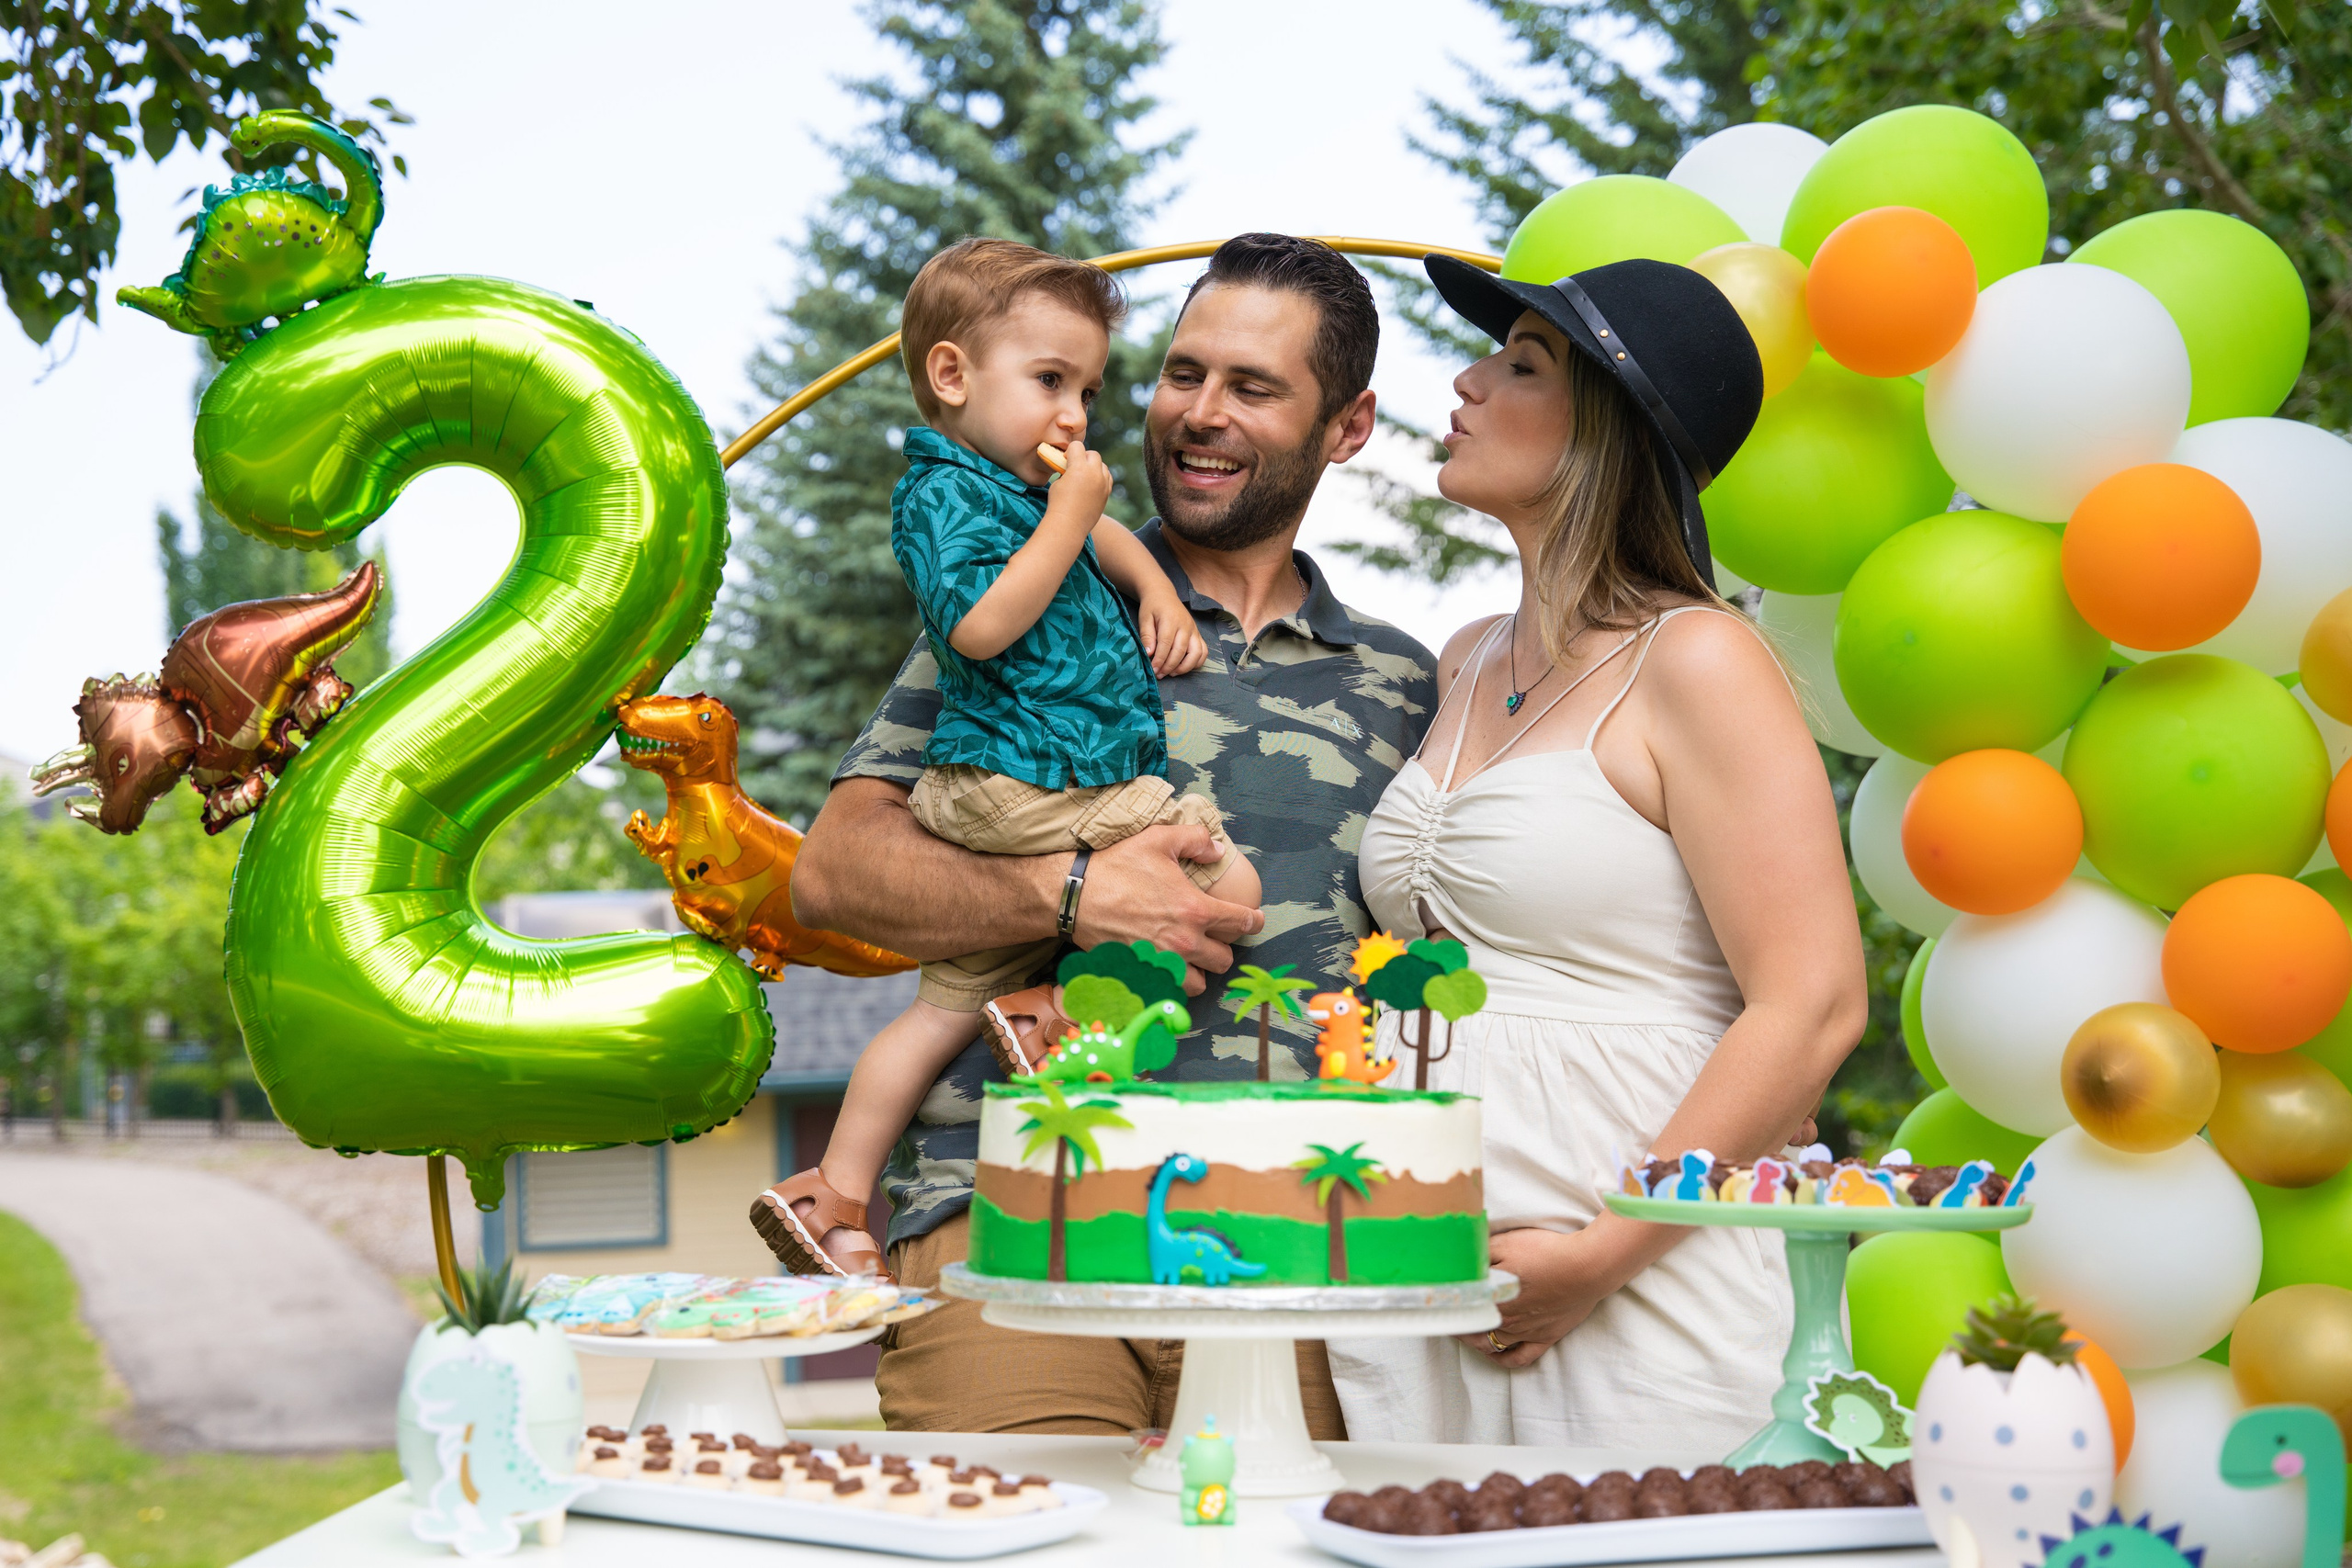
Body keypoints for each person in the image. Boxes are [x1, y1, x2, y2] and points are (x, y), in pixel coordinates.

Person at [783, 234, 1438, 1435]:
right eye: (1183, 373)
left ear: (1347, 426)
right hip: (1011, 1215)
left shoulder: (1403, 684)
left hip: (1290, 1239)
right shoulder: (1037, 593)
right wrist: (1072, 893)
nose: (1197, 412)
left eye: (1251, 386)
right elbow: (833, 873)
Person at [1327, 255, 1867, 1450]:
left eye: (1521, 365)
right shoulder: (1466, 653)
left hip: (1639, 1272)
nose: (1465, 382)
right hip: (1429, 1263)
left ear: (1614, 430)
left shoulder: (1698, 660)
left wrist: (1607, 1249)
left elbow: (1813, 1002)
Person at [750, 238, 1261, 1281]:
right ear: (952, 375)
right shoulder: (939, 498)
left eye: (1085, 387)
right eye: (1049, 382)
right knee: (1221, 874)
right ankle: (1058, 1012)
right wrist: (1071, 517)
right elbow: (979, 626)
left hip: (1017, 789)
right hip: (1032, 780)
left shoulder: (1025, 490)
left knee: (935, 1012)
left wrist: (1151, 587)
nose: (1074, 413)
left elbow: (1107, 541)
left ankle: (833, 1202)